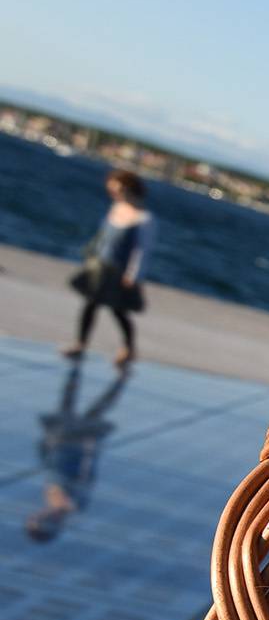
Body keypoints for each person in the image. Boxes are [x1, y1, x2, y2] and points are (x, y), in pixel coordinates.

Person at [24, 359, 131, 542]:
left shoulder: (52, 499)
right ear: (53, 525)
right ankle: (121, 377)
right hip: (78, 442)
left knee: (68, 402)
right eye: (39, 520)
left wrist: (44, 446)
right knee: (96, 409)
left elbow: (51, 468)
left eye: (34, 518)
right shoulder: (74, 503)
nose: (38, 515)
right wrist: (89, 448)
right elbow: (87, 474)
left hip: (60, 441)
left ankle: (77, 365)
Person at [65, 167, 152, 366]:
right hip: (101, 266)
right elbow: (103, 237)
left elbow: (142, 251)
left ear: (128, 189)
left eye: (116, 190)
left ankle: (129, 348)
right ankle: (81, 343)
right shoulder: (117, 208)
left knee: (118, 311)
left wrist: (133, 275)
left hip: (120, 273)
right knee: (91, 304)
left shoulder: (144, 218)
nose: (113, 193)